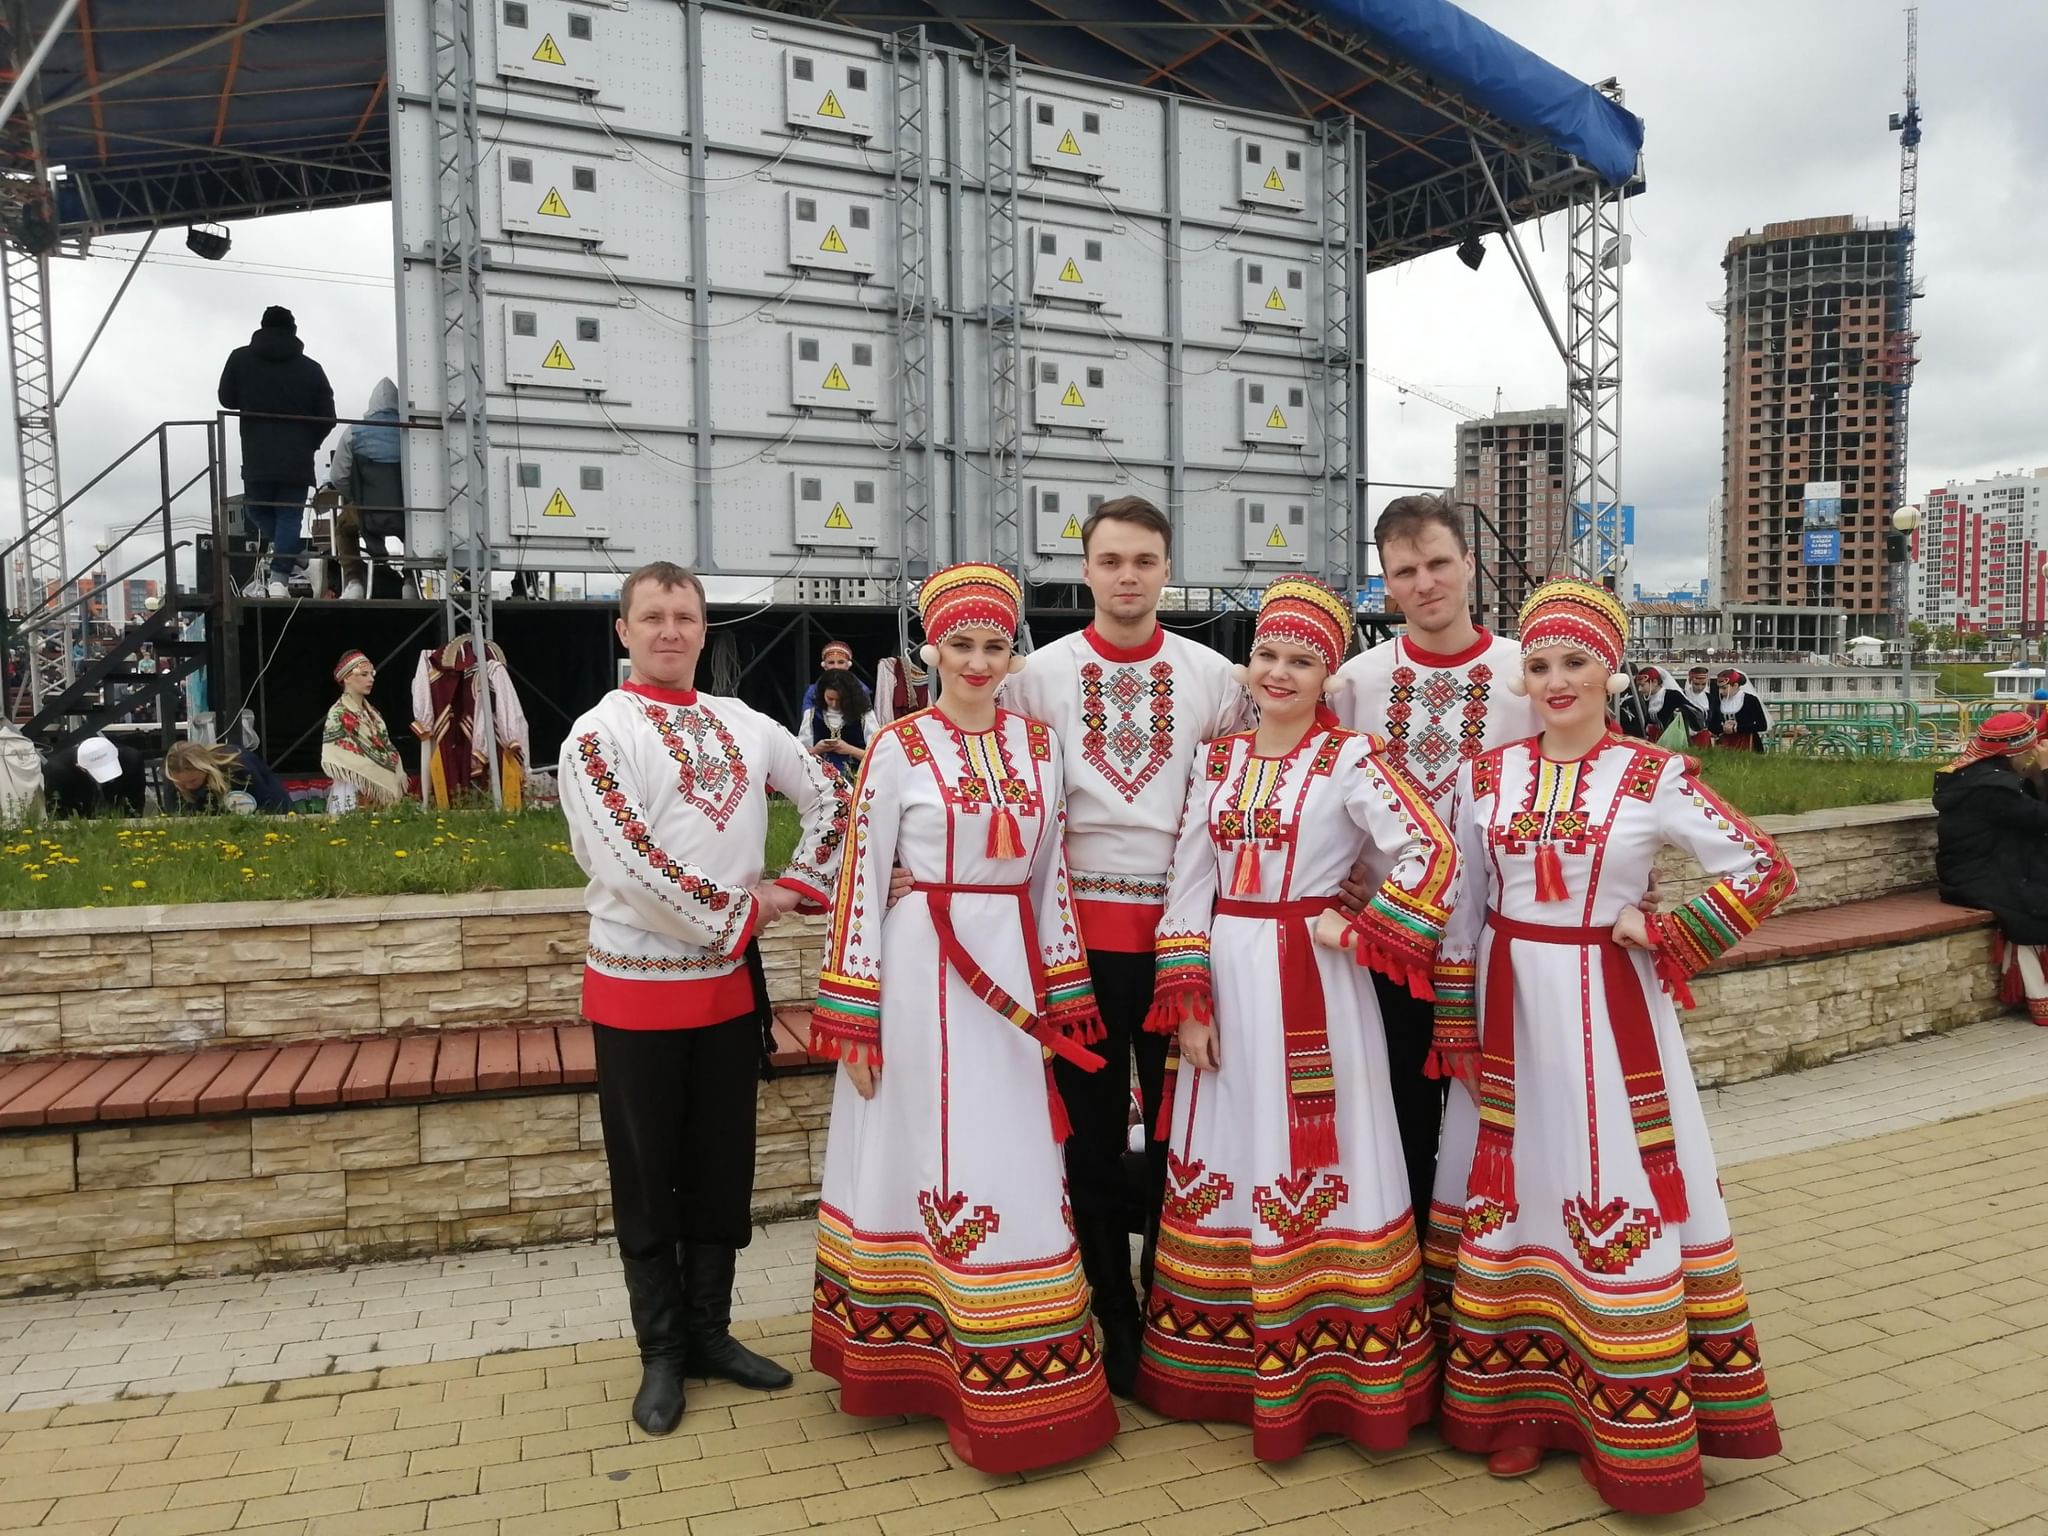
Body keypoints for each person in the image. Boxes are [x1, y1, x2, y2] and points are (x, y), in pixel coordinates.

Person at [1426, 579, 1795, 1515]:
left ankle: (1624, 1420)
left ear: (1610, 672)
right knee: (1515, 1191)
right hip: (1510, 1014)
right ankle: (1521, 1407)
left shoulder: (1653, 776)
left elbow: (1763, 866)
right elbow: (1464, 909)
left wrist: (1669, 937)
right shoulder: (1486, 774)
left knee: (1607, 1185)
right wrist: (1456, 1017)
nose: (1557, 681)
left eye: (1575, 663)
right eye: (1540, 664)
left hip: (1605, 1016)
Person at [1136, 576, 1456, 1460]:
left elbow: (1431, 850)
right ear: (1251, 666)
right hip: (1227, 982)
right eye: (1269, 655)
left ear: (1329, 673)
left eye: (1302, 659)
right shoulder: (1221, 761)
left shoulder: (1353, 760)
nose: (1280, 672)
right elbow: (1188, 884)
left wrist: (1363, 924)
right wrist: (1186, 999)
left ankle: (1341, 1374)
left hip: (1316, 986)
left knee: (1324, 1155)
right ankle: (1226, 1366)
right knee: (1232, 1144)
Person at [809, 562, 1119, 1473]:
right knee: (919, 1142)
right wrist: (853, 1016)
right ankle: (915, 1358)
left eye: (995, 644)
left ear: (1011, 651)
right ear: (931, 647)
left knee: (1012, 1150)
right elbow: (861, 880)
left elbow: (1050, 869)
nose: (978, 661)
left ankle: (1019, 1366)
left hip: (1012, 972)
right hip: (915, 967)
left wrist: (1064, 994)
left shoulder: (1039, 747)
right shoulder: (897, 745)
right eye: (962, 644)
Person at [561, 562, 847, 1437]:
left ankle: (712, 1333)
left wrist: (798, 882)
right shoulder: (598, 736)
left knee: (722, 1163)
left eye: (685, 616)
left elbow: (835, 795)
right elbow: (625, 863)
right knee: (649, 1174)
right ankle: (661, 1352)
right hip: (637, 993)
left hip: (727, 992)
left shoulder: (744, 722)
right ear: (624, 630)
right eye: (653, 617)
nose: (671, 631)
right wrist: (745, 908)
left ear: (702, 627)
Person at [999, 495, 1251, 1395]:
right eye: (1111, 561)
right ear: (1086, 569)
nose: (1129, 577)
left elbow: (1242, 808)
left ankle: (1177, 1302)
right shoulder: (1036, 679)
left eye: (1145, 560)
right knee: (1094, 1134)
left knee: (1191, 1131)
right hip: (1074, 947)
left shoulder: (1216, 677)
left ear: (1166, 567)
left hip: (1188, 945)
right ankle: (1113, 1310)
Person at [1329, 493, 1538, 1246]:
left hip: (1504, 935)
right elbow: (1325, 794)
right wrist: (1340, 874)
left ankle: (1502, 1275)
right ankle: (1410, 1280)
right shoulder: (1353, 683)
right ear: (1386, 582)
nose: (1425, 583)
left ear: (1469, 564)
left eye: (1438, 563)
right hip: (1394, 939)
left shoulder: (1528, 671)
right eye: (1405, 570)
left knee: (1508, 1110)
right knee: (1399, 1116)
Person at [1934, 712, 2048, 1024]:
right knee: (2037, 900)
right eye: (2031, 751)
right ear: (2018, 752)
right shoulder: (1992, 787)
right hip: (1976, 876)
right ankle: (2041, 995)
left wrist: (2037, 779)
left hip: (1988, 863)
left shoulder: (1981, 775)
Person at [217, 307, 336, 598]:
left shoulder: (240, 358)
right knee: (288, 515)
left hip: (257, 452)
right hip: (297, 457)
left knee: (255, 508)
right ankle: (289, 564)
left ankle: (280, 576)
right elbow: (328, 417)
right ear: (293, 331)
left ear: (262, 327)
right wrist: (311, 441)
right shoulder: (311, 368)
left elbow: (226, 398)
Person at [411, 635, 531, 809]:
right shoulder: (428, 663)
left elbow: (502, 709)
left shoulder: (491, 671)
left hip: (472, 734)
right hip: (451, 732)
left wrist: (502, 738)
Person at [321, 377, 405, 600]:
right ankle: (410, 582)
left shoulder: (354, 432)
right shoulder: (410, 431)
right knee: (418, 531)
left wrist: (355, 497)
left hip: (367, 512)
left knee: (343, 526)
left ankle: (354, 582)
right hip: (408, 514)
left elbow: (338, 476)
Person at [322, 651, 407, 813]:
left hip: (376, 788)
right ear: (347, 677)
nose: (371, 679)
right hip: (351, 786)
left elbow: (383, 744)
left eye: (372, 674)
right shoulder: (338, 713)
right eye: (364, 674)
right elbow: (338, 753)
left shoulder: (374, 714)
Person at [163, 740, 293, 814]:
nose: (188, 787)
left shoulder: (238, 768)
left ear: (207, 769)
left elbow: (265, 805)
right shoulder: (174, 779)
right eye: (182, 784)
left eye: (193, 781)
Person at [798, 668, 877, 785]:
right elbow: (800, 758)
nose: (834, 704)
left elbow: (878, 756)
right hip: (820, 783)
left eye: (840, 700)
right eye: (830, 699)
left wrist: (849, 749)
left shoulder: (864, 715)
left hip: (858, 782)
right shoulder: (812, 715)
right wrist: (816, 750)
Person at [42, 733, 147, 818]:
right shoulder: (57, 771)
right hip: (77, 797)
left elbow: (135, 802)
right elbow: (57, 812)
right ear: (80, 767)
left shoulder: (132, 760)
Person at [1619, 665, 1685, 740]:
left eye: (1642, 685)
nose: (1640, 689)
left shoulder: (1672, 696)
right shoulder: (1646, 698)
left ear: (1654, 682)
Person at [1714, 668, 1771, 752]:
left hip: (1748, 743)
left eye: (1724, 688)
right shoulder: (1718, 701)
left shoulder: (1750, 700)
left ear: (1735, 685)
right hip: (1725, 744)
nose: (1720, 691)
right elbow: (1712, 725)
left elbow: (1762, 725)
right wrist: (1723, 728)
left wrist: (1737, 728)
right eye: (1719, 688)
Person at [799, 640, 858, 718]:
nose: (836, 667)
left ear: (848, 665)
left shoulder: (860, 690)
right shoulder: (812, 692)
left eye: (841, 662)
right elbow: (807, 720)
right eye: (831, 663)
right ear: (824, 665)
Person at [1679, 665, 1722, 747]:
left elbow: (1715, 720)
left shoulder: (1710, 698)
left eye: (1703, 684)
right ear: (1690, 681)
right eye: (1696, 684)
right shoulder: (1682, 696)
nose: (1700, 687)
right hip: (1684, 738)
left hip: (1704, 738)